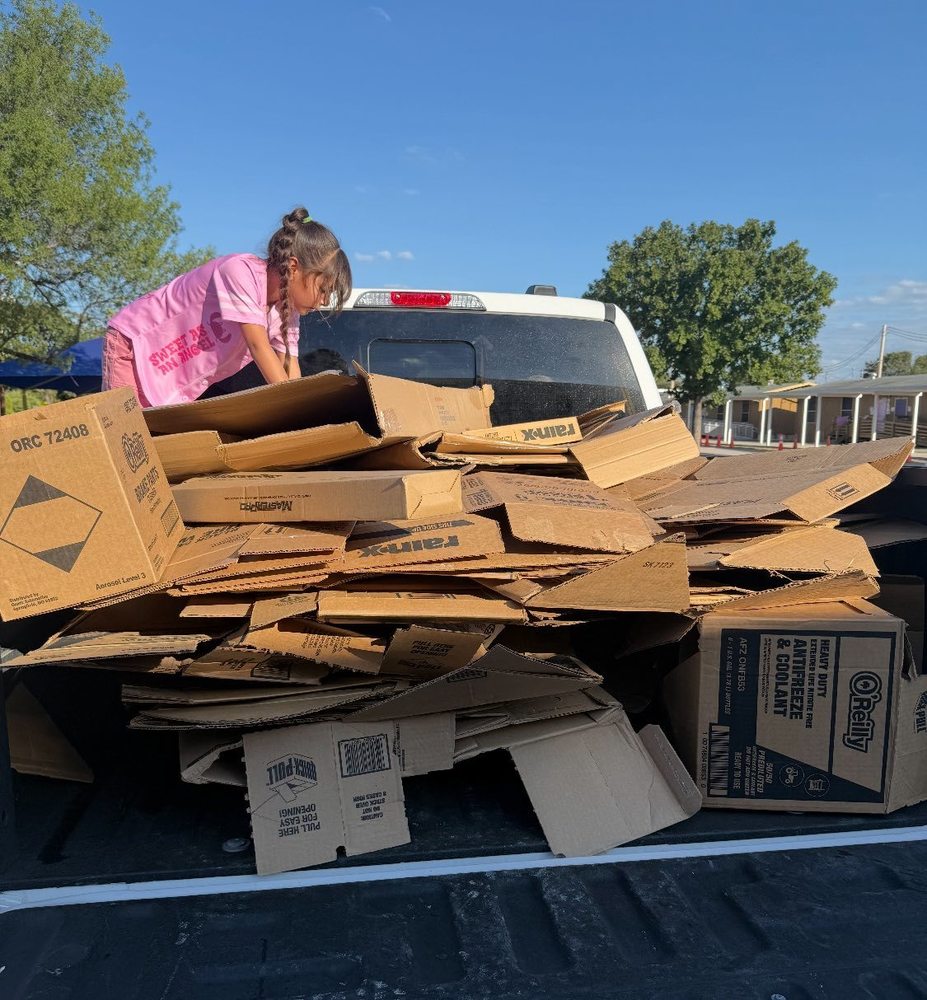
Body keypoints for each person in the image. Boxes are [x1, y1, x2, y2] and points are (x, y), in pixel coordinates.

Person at [102, 207, 351, 407]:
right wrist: (292, 409)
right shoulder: (240, 272)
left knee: (149, 448)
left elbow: (289, 365)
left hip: (173, 373)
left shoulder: (286, 309)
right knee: (123, 439)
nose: (323, 301)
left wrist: (304, 408)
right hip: (135, 346)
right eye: (323, 289)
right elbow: (258, 345)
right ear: (294, 267)